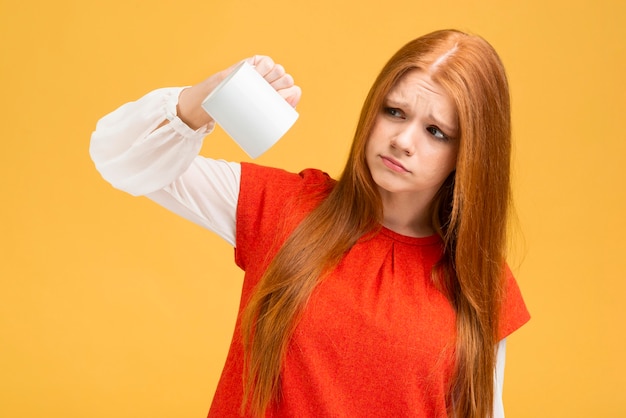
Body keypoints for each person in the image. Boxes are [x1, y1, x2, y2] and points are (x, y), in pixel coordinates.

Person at [90, 29, 530, 418]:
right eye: (394, 112)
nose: (403, 140)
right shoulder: (286, 208)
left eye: (435, 132)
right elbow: (118, 157)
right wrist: (210, 96)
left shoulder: (481, 281)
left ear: (469, 153)